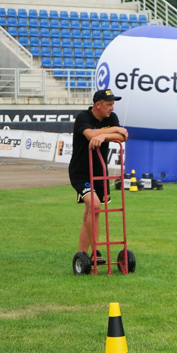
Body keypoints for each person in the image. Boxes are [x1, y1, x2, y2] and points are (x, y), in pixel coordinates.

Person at [69, 89, 128, 265]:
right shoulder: (84, 117)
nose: (111, 108)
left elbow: (123, 136)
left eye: (112, 104)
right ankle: (95, 249)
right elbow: (89, 134)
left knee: (91, 211)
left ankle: (82, 254)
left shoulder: (111, 118)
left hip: (100, 172)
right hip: (81, 172)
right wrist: (114, 130)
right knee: (94, 206)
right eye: (108, 104)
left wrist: (104, 134)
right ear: (98, 105)